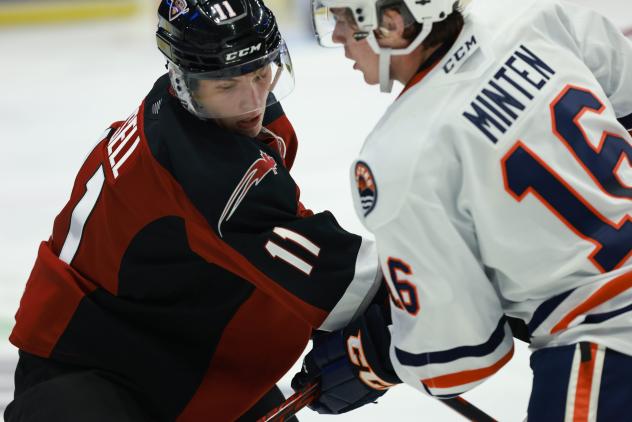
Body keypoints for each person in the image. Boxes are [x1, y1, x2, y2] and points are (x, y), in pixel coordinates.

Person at [3, 0, 384, 421]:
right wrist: (404, 323)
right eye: (227, 86)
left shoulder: (215, 120)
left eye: (261, 74)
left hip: (181, 354)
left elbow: (275, 235)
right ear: (183, 81)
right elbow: (343, 277)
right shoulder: (202, 167)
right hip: (87, 374)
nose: (253, 101)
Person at [293, 0, 632, 419]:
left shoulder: (400, 154)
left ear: (394, 26)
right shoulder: (534, 19)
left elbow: (460, 358)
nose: (339, 35)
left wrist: (378, 358)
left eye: (344, 20)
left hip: (607, 347)